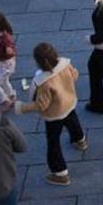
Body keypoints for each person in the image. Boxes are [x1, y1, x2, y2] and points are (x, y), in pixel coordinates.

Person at [16, 43, 86, 186]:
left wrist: (21, 108)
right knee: (73, 122)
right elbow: (75, 75)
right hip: (69, 103)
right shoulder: (65, 65)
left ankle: (60, 173)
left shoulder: (44, 82)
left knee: (53, 142)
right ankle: (80, 140)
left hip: (54, 114)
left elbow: (41, 105)